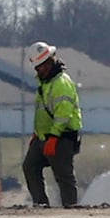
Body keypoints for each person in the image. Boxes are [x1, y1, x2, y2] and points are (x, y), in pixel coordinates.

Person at [22, 41, 83, 209]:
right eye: (36, 67)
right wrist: (38, 134)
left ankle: (71, 208)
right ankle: (41, 204)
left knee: (63, 175)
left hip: (62, 137)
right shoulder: (45, 83)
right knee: (30, 166)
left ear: (49, 62)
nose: (38, 70)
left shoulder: (61, 83)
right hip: (44, 136)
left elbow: (64, 114)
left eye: (40, 66)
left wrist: (54, 137)